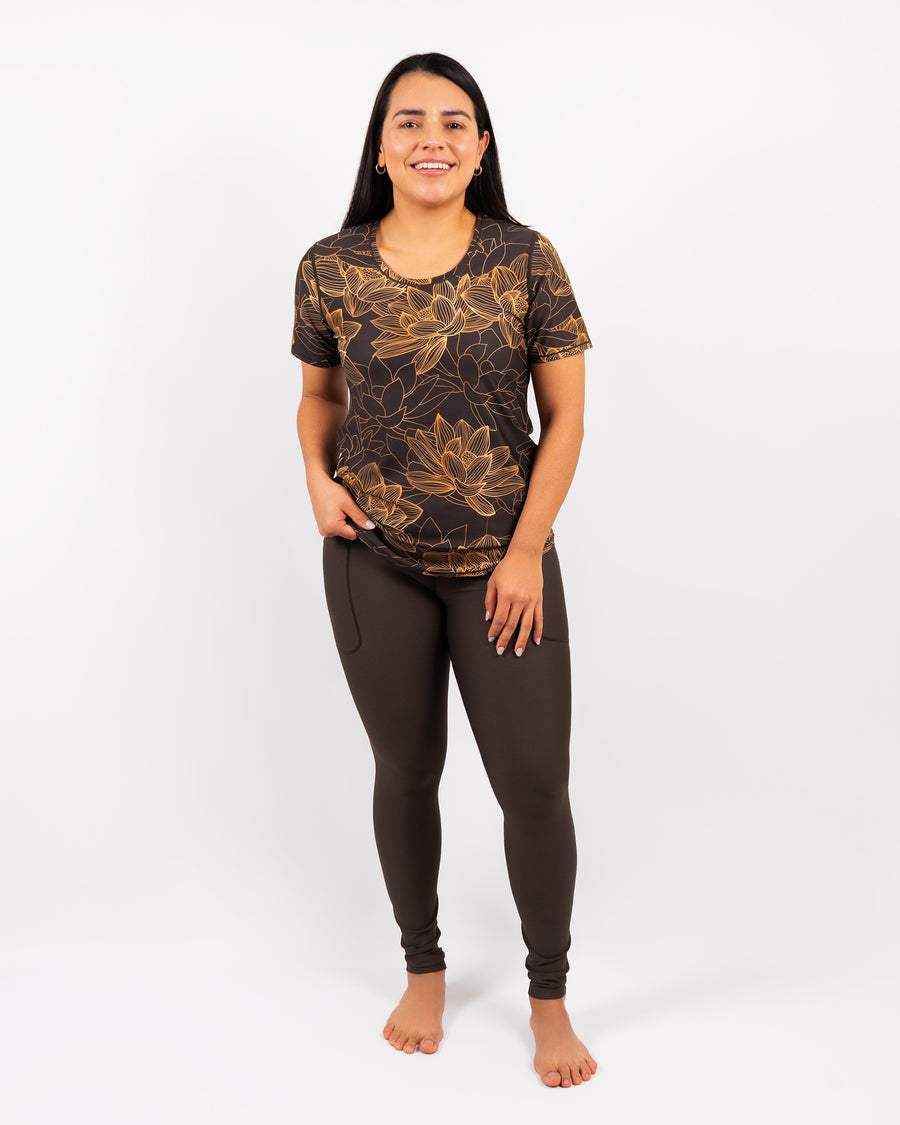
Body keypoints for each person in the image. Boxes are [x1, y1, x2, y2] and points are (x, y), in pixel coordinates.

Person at [292, 52, 597, 1089]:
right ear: (381, 148)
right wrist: (316, 478)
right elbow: (319, 397)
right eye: (410, 121)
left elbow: (566, 419)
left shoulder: (526, 259)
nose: (433, 137)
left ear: (481, 146)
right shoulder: (329, 266)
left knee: (534, 784)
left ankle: (548, 999)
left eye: (454, 121)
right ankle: (423, 968)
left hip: (502, 568)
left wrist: (526, 551)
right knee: (407, 769)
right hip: (371, 559)